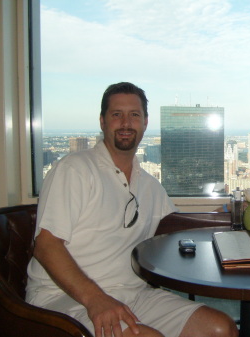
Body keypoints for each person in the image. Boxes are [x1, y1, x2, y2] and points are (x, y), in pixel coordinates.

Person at [26, 82, 238, 337]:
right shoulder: (74, 170)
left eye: (134, 115)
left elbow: (181, 223)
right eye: (117, 114)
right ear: (103, 121)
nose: (126, 123)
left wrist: (236, 211)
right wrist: (97, 300)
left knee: (221, 329)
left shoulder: (148, 184)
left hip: (133, 294)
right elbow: (46, 245)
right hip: (63, 299)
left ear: (145, 123)